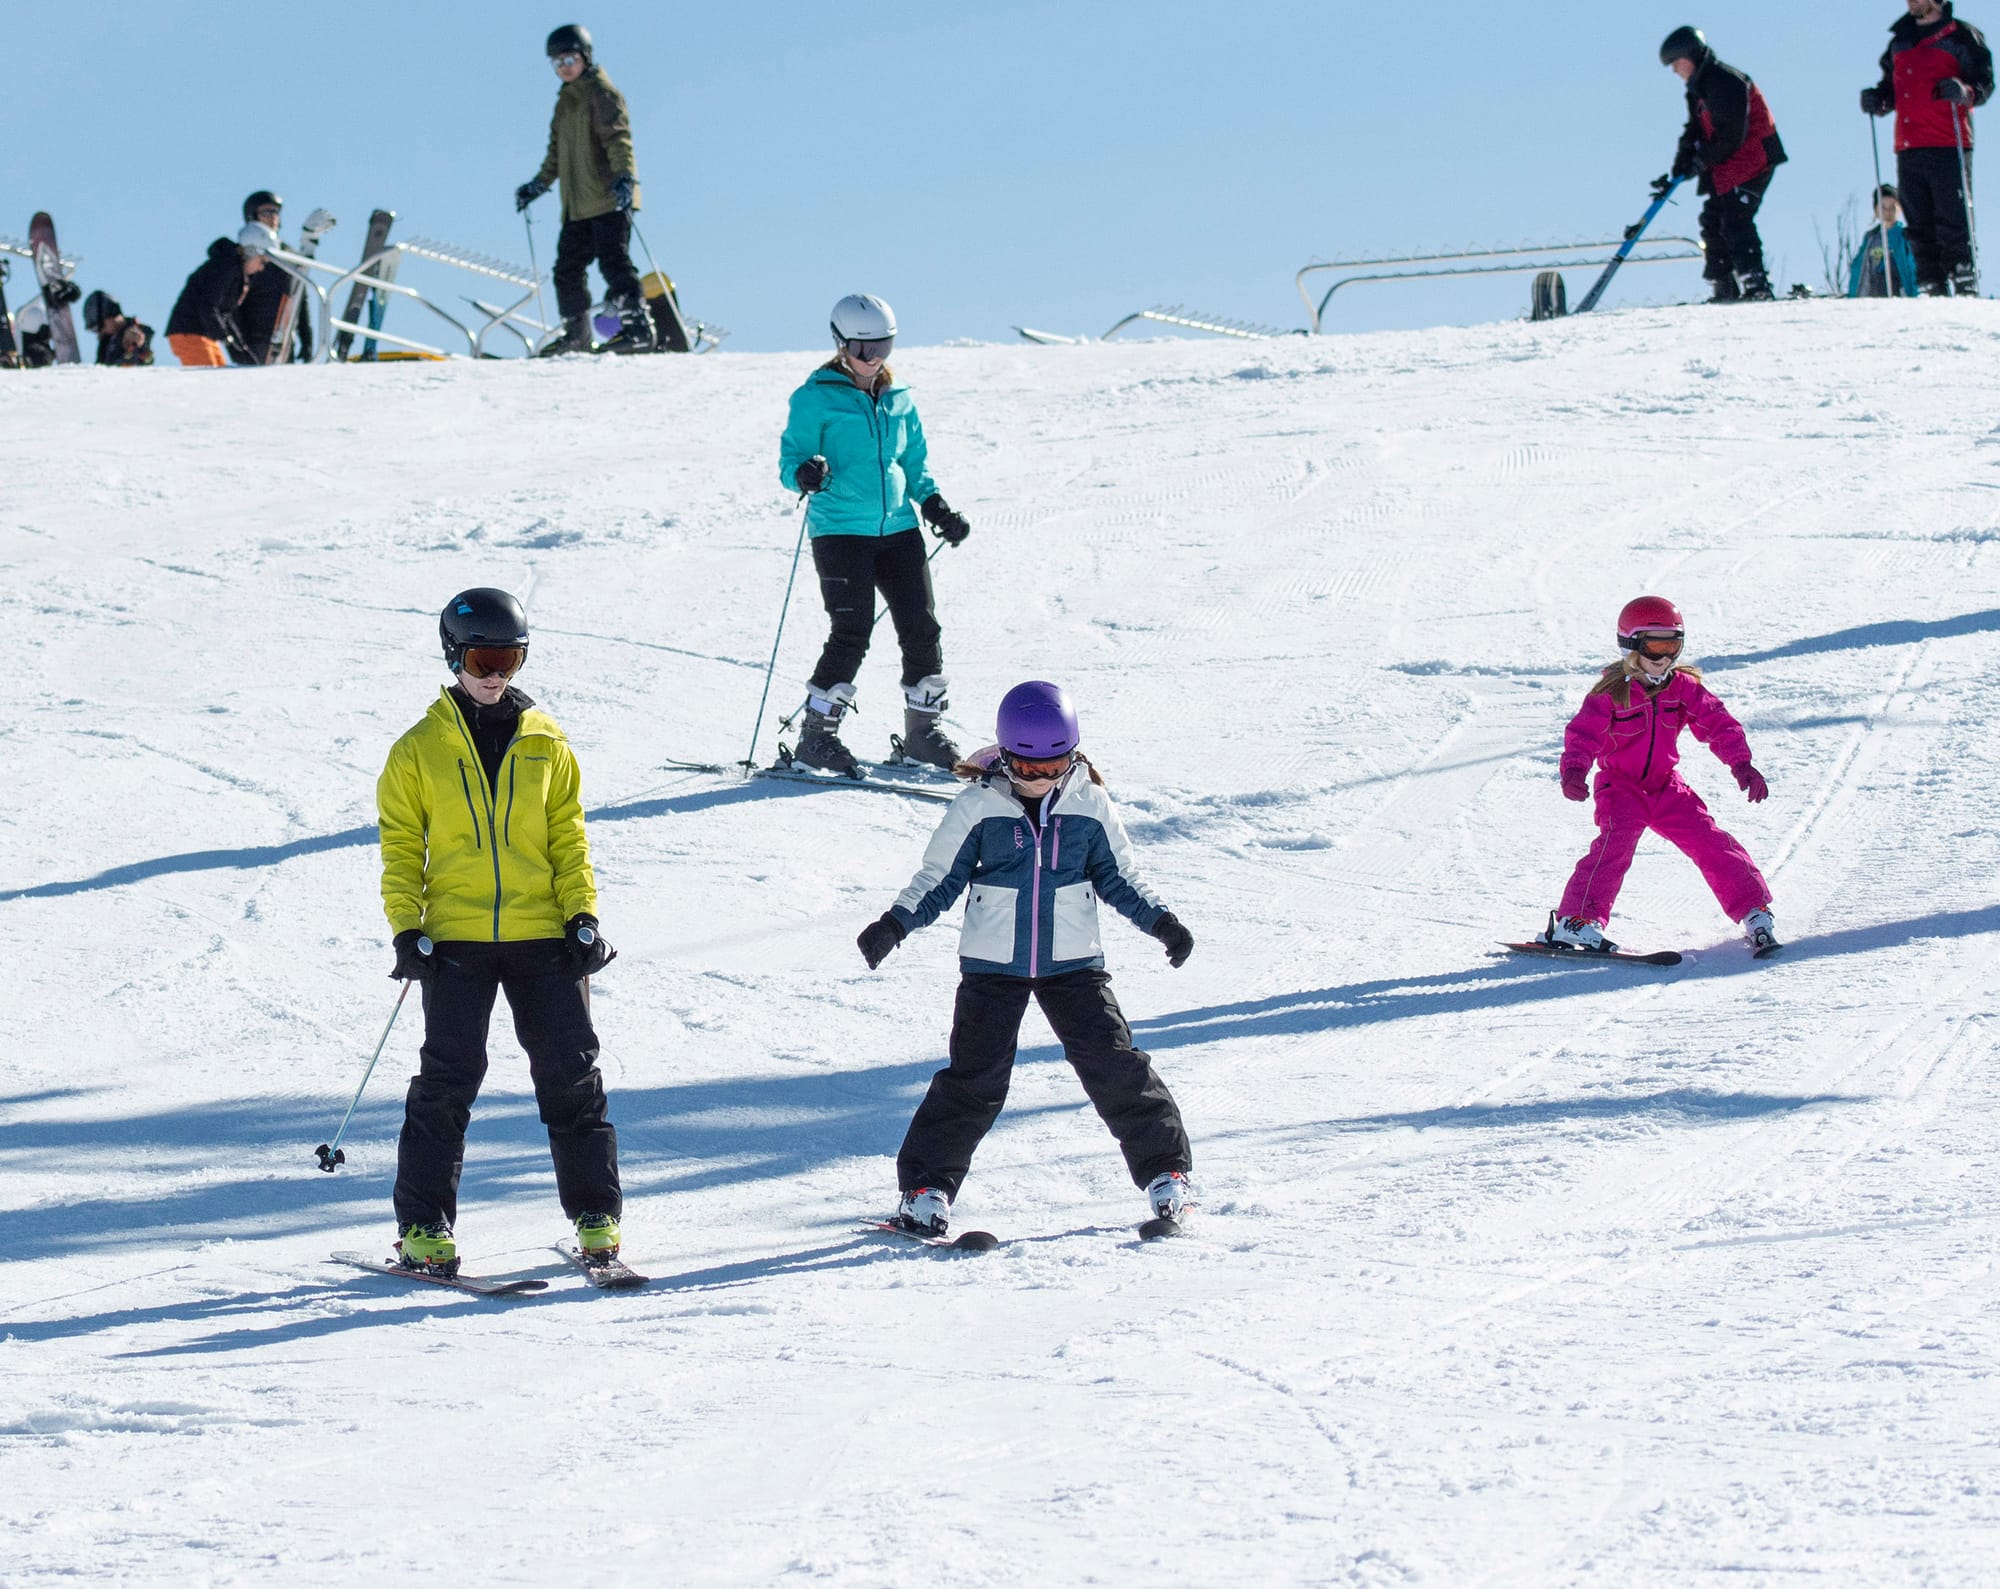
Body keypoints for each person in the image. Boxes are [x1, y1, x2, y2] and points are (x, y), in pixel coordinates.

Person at [856, 681, 1200, 1236]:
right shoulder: (977, 807)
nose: (1040, 779)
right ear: (1005, 755)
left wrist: (1162, 922)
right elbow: (938, 880)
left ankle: (1168, 1175)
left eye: (1054, 765)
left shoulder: (1089, 805)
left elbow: (1119, 877)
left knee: (1114, 1065)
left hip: (1074, 965)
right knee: (974, 1079)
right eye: (1026, 768)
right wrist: (895, 924)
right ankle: (925, 1191)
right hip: (993, 970)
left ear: (1074, 754)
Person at [375, 587, 625, 1274]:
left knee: (572, 1074)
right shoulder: (417, 750)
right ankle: (424, 1224)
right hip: (456, 940)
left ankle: (596, 1216)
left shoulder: (547, 741)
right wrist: (408, 929)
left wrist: (581, 916)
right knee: (449, 1080)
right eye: (483, 657)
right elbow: (402, 847)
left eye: (509, 659)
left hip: (542, 936)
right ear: (455, 655)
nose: (495, 675)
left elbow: (568, 839)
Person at [776, 293, 973, 775]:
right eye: (863, 348)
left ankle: (922, 735)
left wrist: (935, 505)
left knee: (921, 627)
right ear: (841, 344)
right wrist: (805, 474)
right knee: (852, 631)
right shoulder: (814, 396)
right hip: (841, 531)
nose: (874, 357)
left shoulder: (900, 398)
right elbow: (789, 461)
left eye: (883, 345)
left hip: (900, 529)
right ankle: (816, 739)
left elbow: (914, 464)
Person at [1539, 596, 1779, 958]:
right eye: (1655, 647)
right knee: (1614, 844)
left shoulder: (1682, 687)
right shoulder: (1611, 692)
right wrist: (1574, 769)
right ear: (1632, 647)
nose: (1664, 658)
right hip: (1620, 785)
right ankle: (1576, 920)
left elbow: (1718, 722)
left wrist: (1740, 763)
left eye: (1672, 646)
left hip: (1666, 785)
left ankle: (1754, 910)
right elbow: (1583, 733)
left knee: (1710, 841)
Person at [514, 23, 653, 355]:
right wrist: (538, 185)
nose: (564, 68)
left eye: (570, 59)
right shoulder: (564, 104)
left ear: (585, 57)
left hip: (608, 198)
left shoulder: (602, 94)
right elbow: (555, 156)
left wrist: (624, 177)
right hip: (577, 206)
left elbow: (619, 139)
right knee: (566, 269)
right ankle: (576, 334)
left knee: (614, 263)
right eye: (557, 63)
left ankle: (638, 329)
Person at [1862, 0, 1993, 295]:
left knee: (1952, 213)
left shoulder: (1961, 36)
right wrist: (1879, 99)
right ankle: (1929, 283)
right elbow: (1890, 87)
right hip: (1908, 143)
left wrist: (1965, 91)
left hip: (1949, 139)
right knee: (1917, 218)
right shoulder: (1900, 42)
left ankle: (1963, 279)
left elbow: (1984, 82)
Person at [1656, 26, 1788, 303]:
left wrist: (1699, 161)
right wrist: (1681, 163)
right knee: (1712, 221)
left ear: (1691, 56)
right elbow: (1695, 130)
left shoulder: (1725, 81)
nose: (1674, 71)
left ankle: (1756, 284)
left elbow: (1731, 134)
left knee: (1735, 219)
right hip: (1727, 166)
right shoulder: (1698, 89)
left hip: (1753, 159)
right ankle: (1723, 284)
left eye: (1676, 63)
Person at [164, 222, 273, 367]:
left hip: (205, 335)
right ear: (251, 252)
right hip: (190, 331)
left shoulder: (236, 272)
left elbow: (225, 314)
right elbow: (208, 305)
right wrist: (226, 338)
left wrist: (241, 347)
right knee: (210, 382)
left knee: (223, 375)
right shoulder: (225, 267)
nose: (261, 268)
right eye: (262, 261)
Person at [232, 192, 313, 364]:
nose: (273, 218)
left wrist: (306, 338)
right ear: (252, 216)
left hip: (284, 333)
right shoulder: (246, 252)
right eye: (266, 212)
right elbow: (232, 300)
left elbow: (299, 295)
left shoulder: (288, 254)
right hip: (253, 335)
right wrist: (237, 340)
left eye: (276, 212)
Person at [1847, 184, 1922, 295]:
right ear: (1876, 210)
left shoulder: (1905, 237)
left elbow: (1912, 268)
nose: (1887, 211)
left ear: (1900, 208)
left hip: (1900, 295)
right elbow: (1859, 272)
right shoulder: (1870, 239)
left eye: (1892, 206)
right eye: (1883, 207)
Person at [82, 291, 155, 366]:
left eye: (99, 327)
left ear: (111, 314)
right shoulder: (106, 341)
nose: (100, 331)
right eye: (94, 329)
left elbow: (147, 361)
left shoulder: (139, 332)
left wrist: (138, 348)